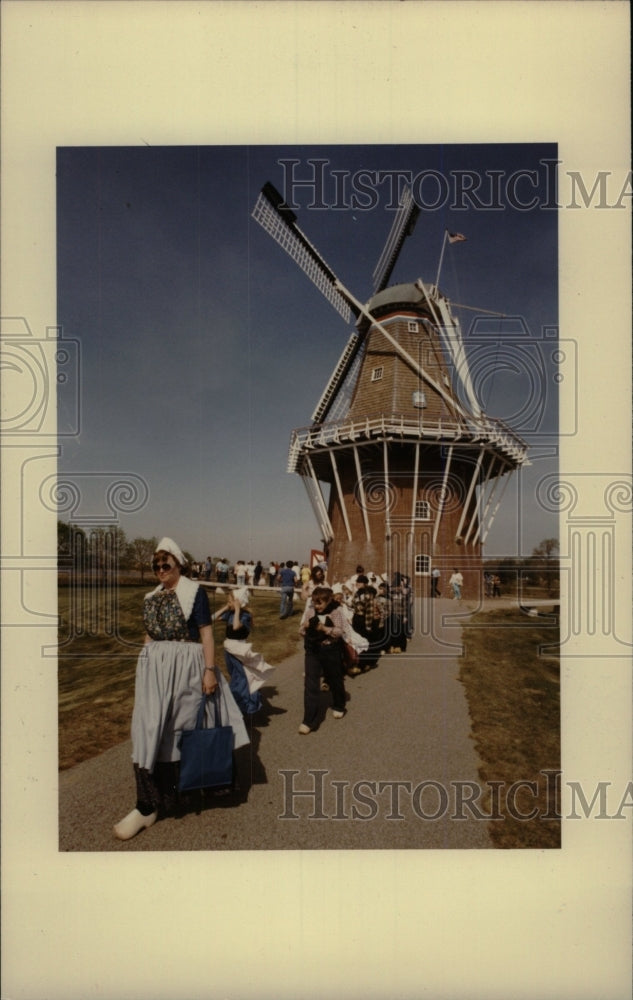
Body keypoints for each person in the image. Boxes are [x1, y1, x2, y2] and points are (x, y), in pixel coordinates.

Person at [114, 537, 249, 841]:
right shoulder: (152, 596)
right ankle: (147, 805)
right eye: (156, 565)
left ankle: (176, 798)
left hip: (186, 667)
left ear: (178, 565)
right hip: (155, 671)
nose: (160, 569)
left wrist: (210, 670)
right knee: (149, 730)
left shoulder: (194, 593)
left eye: (166, 564)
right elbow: (148, 636)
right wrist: (146, 665)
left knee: (181, 728)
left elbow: (206, 634)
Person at [213, 587, 274, 715]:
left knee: (239, 677)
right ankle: (239, 702)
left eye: (231, 600)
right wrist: (226, 607)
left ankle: (238, 706)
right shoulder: (230, 613)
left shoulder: (245, 616)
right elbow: (212, 618)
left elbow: (235, 627)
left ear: (239, 601)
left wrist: (237, 609)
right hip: (229, 648)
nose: (229, 602)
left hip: (239, 650)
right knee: (233, 674)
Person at [298, 586, 348, 733]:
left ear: (328, 601)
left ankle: (339, 704)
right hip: (313, 650)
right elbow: (301, 631)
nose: (317, 606)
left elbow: (340, 631)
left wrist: (324, 629)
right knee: (310, 684)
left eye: (320, 603)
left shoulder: (336, 612)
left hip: (330, 649)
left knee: (335, 678)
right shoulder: (310, 612)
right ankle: (309, 720)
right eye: (315, 602)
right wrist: (305, 627)